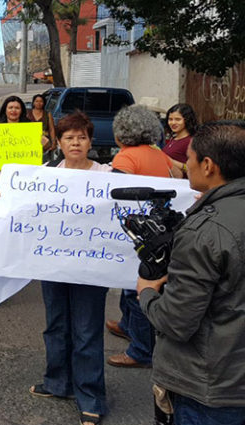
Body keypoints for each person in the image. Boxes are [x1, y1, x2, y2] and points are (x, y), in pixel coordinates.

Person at [1, 112, 112, 425]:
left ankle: (90, 398)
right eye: (69, 138)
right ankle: (57, 382)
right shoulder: (46, 173)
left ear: (90, 141)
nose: (76, 143)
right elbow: (20, 204)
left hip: (92, 269)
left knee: (87, 331)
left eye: (82, 137)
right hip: (52, 265)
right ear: (59, 143)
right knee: (56, 326)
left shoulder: (109, 175)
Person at [138, 121, 245, 425]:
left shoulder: (205, 232)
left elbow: (177, 321)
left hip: (213, 388)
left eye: (189, 159)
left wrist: (146, 293)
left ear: (208, 166)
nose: (186, 167)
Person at [106, 105, 179, 369]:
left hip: (137, 230)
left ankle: (140, 351)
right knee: (132, 283)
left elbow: (114, 194)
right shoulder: (159, 154)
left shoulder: (125, 158)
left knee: (133, 288)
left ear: (121, 134)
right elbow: (177, 179)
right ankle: (127, 326)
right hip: (160, 227)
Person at [163, 103, 198, 174]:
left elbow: (196, 170)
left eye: (178, 119)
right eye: (170, 119)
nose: (173, 123)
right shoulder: (173, 139)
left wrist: (171, 161)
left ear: (187, 120)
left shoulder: (191, 141)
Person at [26, 94, 56, 162]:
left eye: (41, 101)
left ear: (44, 103)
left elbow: (51, 129)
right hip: (30, 142)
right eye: (36, 101)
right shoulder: (28, 114)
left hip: (44, 143)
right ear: (33, 102)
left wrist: (53, 142)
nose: (38, 103)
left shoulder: (47, 114)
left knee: (43, 161)